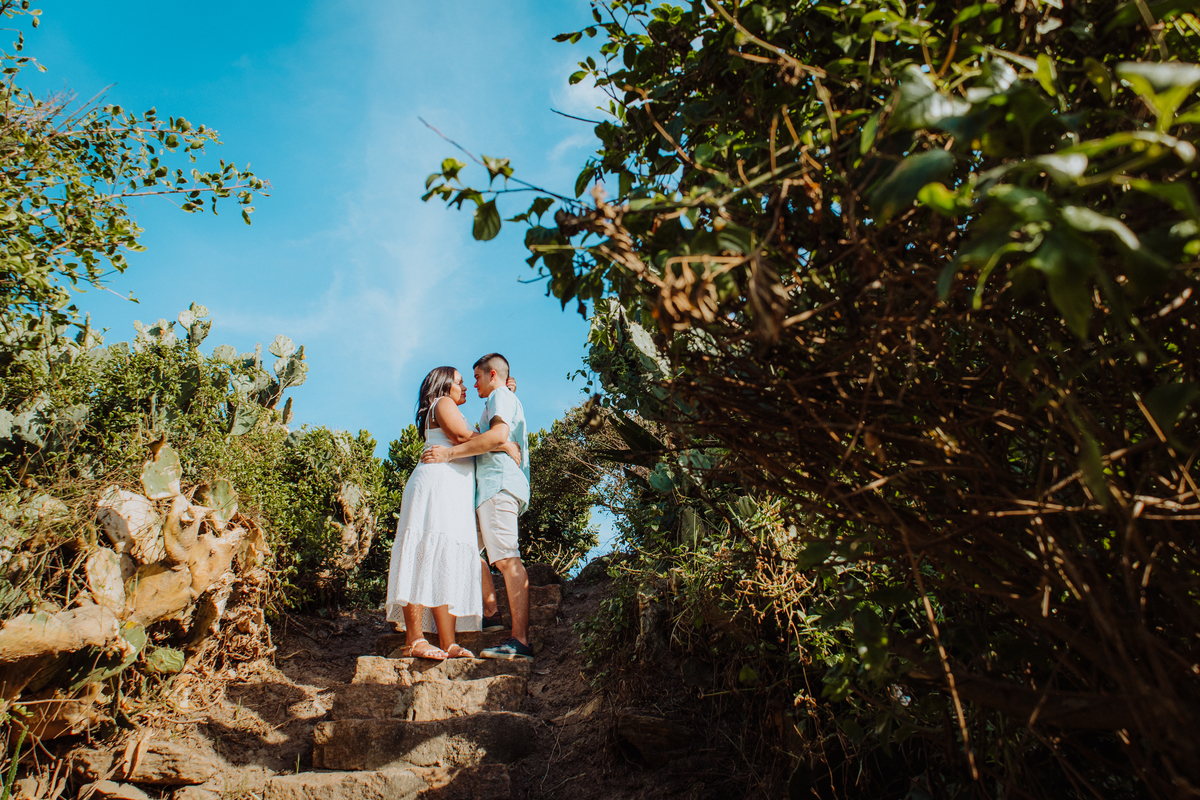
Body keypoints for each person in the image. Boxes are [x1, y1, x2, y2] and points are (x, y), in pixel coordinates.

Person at [385, 366, 520, 660]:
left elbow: (471, 434)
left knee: (443, 559)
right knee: (424, 552)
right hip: (436, 484)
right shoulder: (442, 402)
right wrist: (502, 441)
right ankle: (414, 639)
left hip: (452, 490)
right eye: (460, 382)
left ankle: (448, 642)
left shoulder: (451, 407)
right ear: (445, 385)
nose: (465, 387)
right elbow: (461, 436)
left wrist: (506, 396)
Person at [422, 353, 533, 661]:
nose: (474, 383)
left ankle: (520, 640)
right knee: (468, 549)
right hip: (488, 489)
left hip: (498, 484)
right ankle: (490, 612)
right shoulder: (501, 397)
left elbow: (498, 435)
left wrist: (448, 454)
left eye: (477, 377)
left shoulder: (499, 395)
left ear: (492, 376)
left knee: (507, 559)